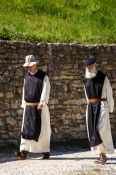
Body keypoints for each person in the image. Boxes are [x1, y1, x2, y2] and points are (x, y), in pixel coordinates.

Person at [16, 55, 51, 159]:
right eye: (27, 66)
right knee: (26, 128)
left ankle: (45, 151)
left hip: (39, 107)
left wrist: (42, 102)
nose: (28, 68)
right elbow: (24, 90)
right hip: (28, 106)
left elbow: (46, 89)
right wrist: (24, 104)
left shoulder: (43, 76)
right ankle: (24, 151)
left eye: (29, 66)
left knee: (42, 129)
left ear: (35, 64)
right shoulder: (26, 76)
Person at [83, 57, 114, 164]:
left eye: (91, 66)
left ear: (95, 65)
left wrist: (110, 108)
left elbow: (109, 93)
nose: (89, 68)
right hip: (91, 106)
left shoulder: (102, 77)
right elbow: (87, 95)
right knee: (93, 131)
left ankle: (104, 153)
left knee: (102, 130)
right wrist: (89, 106)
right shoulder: (85, 79)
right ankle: (101, 154)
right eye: (87, 67)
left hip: (102, 105)